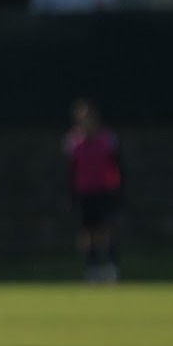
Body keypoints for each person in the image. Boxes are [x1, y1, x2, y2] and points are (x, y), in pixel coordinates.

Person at [64, 98, 122, 283]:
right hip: (83, 193)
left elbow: (117, 165)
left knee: (106, 230)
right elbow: (70, 171)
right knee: (87, 232)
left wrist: (117, 188)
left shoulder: (107, 139)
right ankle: (92, 267)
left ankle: (111, 266)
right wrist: (70, 195)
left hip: (103, 191)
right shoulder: (73, 142)